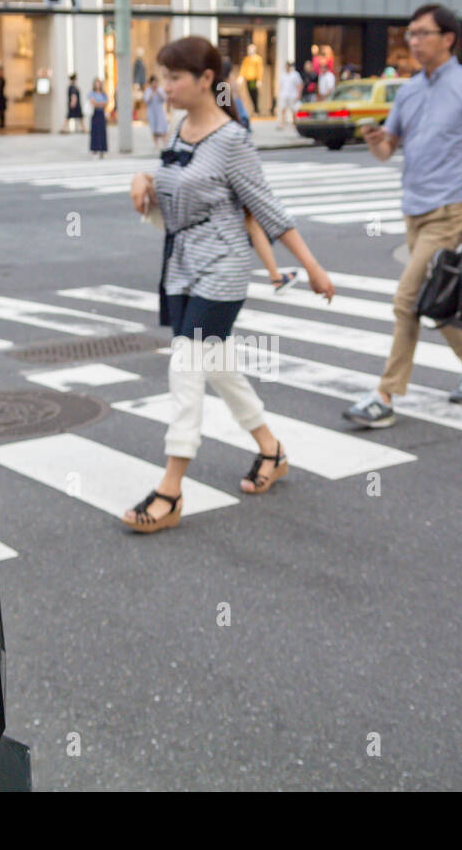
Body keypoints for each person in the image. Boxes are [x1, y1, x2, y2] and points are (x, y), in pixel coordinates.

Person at [125, 36, 335, 533]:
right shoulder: (178, 130)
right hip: (180, 263)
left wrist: (312, 266)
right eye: (162, 76)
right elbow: (174, 184)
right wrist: (142, 180)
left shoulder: (233, 140)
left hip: (222, 268)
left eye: (175, 77)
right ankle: (271, 449)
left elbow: (266, 208)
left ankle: (171, 488)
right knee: (216, 364)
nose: (165, 86)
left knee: (187, 364)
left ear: (204, 81)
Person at [342, 2, 462, 429]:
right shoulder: (407, 90)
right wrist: (376, 139)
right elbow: (387, 149)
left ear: (448, 38)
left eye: (421, 33)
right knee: (434, 299)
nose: (412, 41)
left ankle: (385, 396)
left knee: (406, 299)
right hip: (413, 209)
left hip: (450, 209)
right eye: (409, 34)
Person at [145, 74, 169, 150]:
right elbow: (146, 100)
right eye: (153, 83)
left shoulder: (160, 90)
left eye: (156, 82)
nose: (154, 84)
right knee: (154, 128)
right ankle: (156, 144)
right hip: (151, 112)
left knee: (162, 127)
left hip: (160, 111)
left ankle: (164, 144)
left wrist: (158, 92)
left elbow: (164, 98)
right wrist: (152, 93)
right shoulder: (148, 91)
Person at [276, 61, 303, 128]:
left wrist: (299, 94)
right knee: (283, 108)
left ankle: (294, 123)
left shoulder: (295, 74)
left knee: (293, 109)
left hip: (293, 94)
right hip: (284, 94)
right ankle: (282, 123)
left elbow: (299, 84)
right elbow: (280, 85)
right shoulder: (282, 75)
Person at [88, 78, 109, 158]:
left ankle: (102, 148)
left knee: (102, 131)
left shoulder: (104, 94)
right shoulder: (92, 93)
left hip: (101, 113)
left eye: (99, 83)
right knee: (95, 131)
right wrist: (100, 104)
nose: (97, 85)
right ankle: (94, 148)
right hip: (95, 113)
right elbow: (93, 103)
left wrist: (99, 104)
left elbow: (106, 103)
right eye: (96, 83)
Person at [241, 43, 263, 114]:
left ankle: (256, 109)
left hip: (254, 79)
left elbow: (260, 69)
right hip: (248, 79)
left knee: (254, 93)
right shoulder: (246, 59)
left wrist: (259, 80)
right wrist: (241, 76)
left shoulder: (258, 59)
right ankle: (255, 109)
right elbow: (243, 68)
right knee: (250, 93)